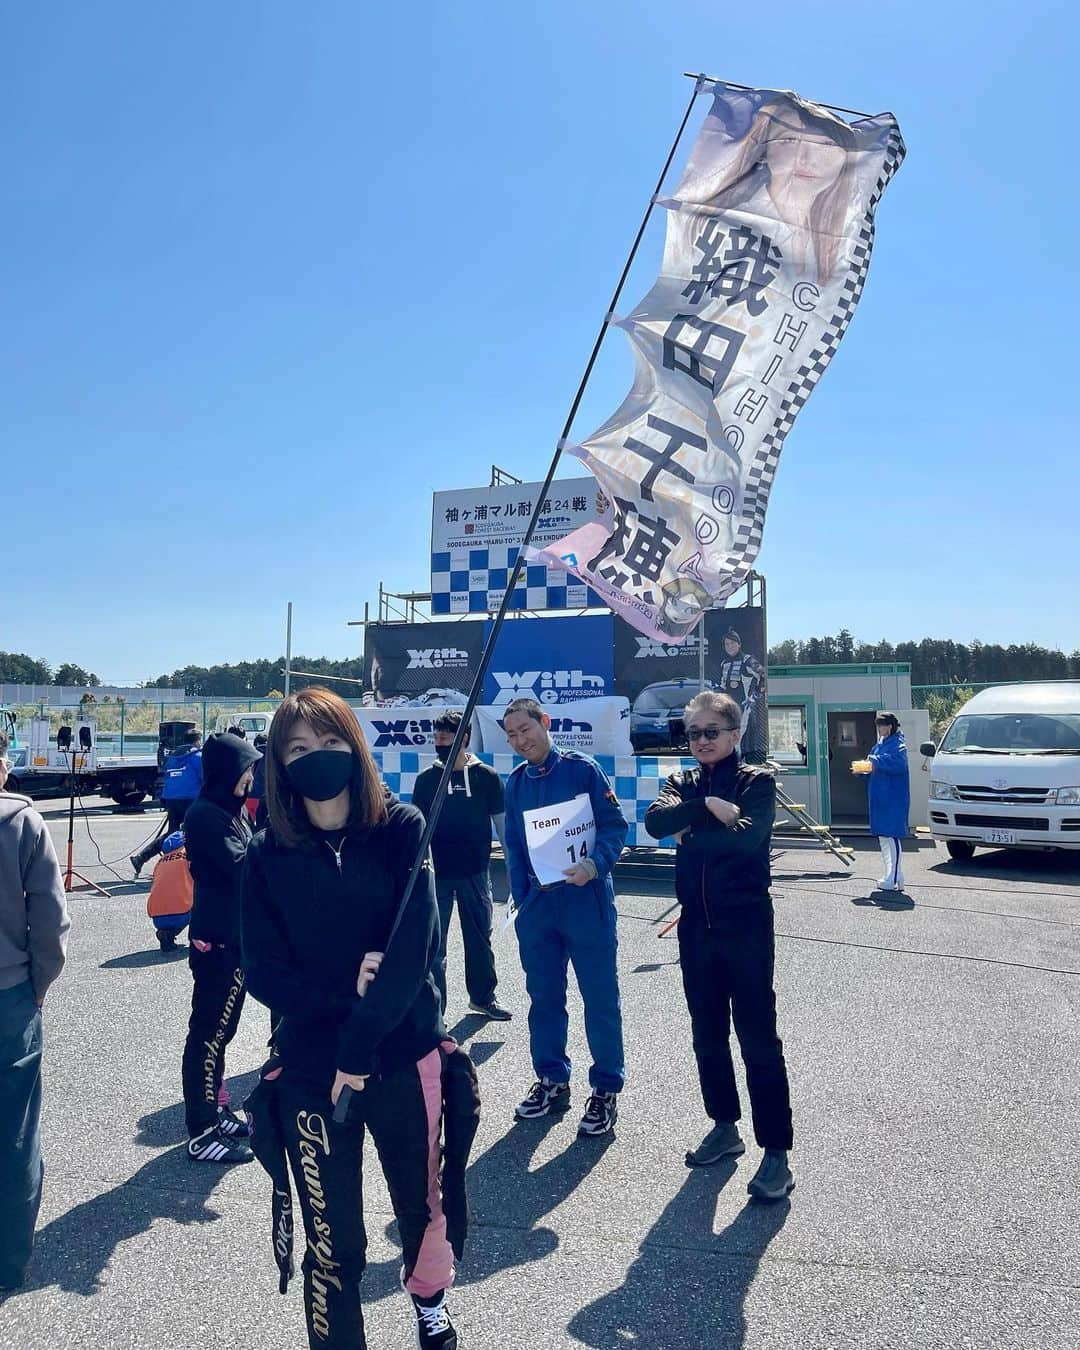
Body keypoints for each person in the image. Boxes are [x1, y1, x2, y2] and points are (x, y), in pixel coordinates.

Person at [241, 687, 461, 1350]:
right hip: (311, 1074)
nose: (317, 758)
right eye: (299, 748)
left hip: (399, 1057)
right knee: (333, 1245)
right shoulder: (263, 855)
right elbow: (264, 971)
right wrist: (341, 996)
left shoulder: (400, 830)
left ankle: (429, 1299)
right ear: (280, 764)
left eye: (332, 743)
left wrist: (360, 1046)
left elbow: (412, 950)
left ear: (356, 748)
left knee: (420, 1209)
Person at [644, 690, 794, 1201]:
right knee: (706, 1034)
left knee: (757, 1039)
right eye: (694, 733)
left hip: (747, 926)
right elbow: (655, 823)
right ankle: (724, 1127)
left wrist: (693, 832)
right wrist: (707, 805)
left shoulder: (758, 781)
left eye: (712, 731)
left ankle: (776, 1152)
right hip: (696, 929)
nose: (703, 741)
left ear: (734, 735)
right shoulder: (682, 781)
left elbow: (745, 842)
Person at [501, 697, 628, 1137]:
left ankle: (606, 1088)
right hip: (538, 910)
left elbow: (615, 827)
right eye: (512, 735)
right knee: (544, 998)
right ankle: (552, 1078)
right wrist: (521, 902)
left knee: (599, 999)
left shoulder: (583, 771)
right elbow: (514, 849)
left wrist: (594, 865)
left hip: (585, 903)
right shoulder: (515, 783)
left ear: (545, 723)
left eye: (525, 729)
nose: (520, 740)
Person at [0, 730, 71, 1291]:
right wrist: (40, 984)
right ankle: (8, 1262)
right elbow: (48, 919)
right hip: (9, 996)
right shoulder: (20, 821)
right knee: (15, 1133)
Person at [181, 731, 260, 1164]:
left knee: (223, 1033)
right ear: (229, 772)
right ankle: (201, 1130)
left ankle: (216, 1108)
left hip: (237, 939)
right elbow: (244, 867)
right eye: (246, 768)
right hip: (218, 943)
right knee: (208, 1036)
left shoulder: (233, 813)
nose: (251, 776)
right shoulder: (205, 816)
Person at [411, 710, 511, 1022]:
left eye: (446, 739)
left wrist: (514, 865)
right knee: (434, 947)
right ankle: (434, 1014)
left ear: (464, 739)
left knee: (479, 937)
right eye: (436, 739)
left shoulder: (486, 777)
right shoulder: (426, 780)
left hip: (476, 872)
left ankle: (483, 998)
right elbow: (416, 827)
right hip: (436, 874)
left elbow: (502, 825)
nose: (439, 744)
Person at [130, 729, 203, 877]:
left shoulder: (173, 757)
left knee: (173, 833)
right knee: (194, 831)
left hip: (171, 798)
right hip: (190, 798)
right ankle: (187, 867)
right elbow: (204, 778)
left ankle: (144, 858)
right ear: (197, 740)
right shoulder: (198, 757)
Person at [857, 712, 910, 892]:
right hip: (879, 797)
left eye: (883, 725)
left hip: (893, 798)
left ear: (891, 726)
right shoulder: (877, 746)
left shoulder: (898, 744)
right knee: (883, 837)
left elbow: (899, 764)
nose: (880, 729)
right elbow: (873, 768)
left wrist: (875, 761)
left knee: (891, 836)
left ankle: (893, 879)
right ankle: (893, 875)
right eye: (878, 725)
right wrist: (862, 771)